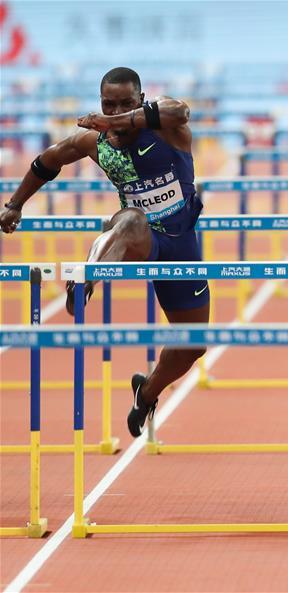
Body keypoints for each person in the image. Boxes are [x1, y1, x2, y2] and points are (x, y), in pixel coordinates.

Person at [0, 67, 209, 439]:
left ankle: (146, 392)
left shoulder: (166, 127)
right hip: (140, 239)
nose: (114, 112)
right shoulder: (95, 142)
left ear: (141, 101)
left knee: (192, 346)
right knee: (130, 220)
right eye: (108, 104)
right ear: (100, 102)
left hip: (182, 246)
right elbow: (49, 160)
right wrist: (14, 204)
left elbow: (181, 111)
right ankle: (87, 277)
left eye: (125, 104)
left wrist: (114, 119)